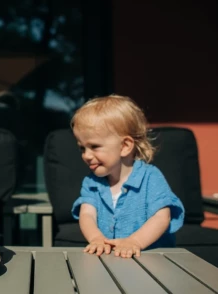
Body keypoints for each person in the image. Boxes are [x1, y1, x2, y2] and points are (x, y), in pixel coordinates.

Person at [70, 95, 184, 258]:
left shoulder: (150, 177)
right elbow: (87, 214)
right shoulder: (92, 182)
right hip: (110, 259)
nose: (86, 155)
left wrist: (134, 242)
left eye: (94, 146)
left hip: (151, 259)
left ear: (125, 146)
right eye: (82, 148)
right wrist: (96, 238)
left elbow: (161, 217)